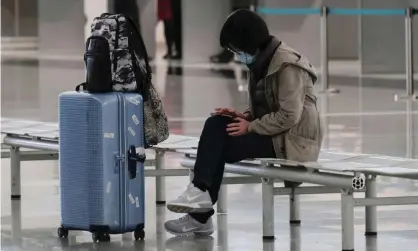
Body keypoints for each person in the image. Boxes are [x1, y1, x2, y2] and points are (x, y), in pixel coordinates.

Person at [164, 9, 323, 236]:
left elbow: (289, 116)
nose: (235, 55)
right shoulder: (260, 61)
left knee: (218, 147)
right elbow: (268, 106)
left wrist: (251, 126)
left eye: (235, 50)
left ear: (249, 43)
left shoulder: (287, 66)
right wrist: (245, 115)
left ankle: (199, 213)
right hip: (275, 134)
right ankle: (199, 197)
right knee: (217, 123)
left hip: (293, 142)